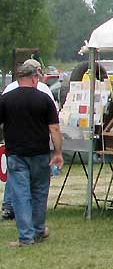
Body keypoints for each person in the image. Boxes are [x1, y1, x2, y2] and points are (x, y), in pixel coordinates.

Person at [0, 63, 63, 247]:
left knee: (20, 194)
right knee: (39, 193)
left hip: (16, 154)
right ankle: (38, 230)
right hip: (40, 153)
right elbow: (54, 128)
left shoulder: (6, 99)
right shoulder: (44, 99)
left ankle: (26, 237)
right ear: (35, 77)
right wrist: (58, 152)